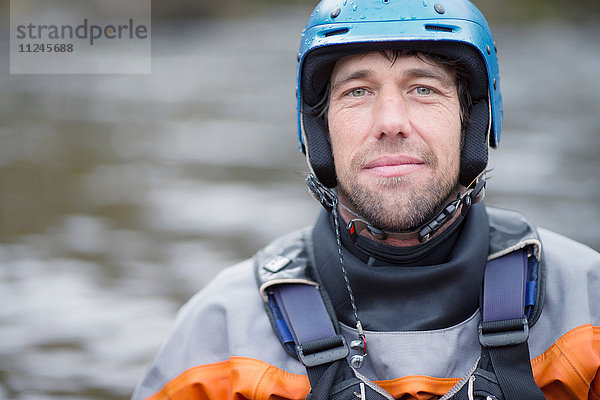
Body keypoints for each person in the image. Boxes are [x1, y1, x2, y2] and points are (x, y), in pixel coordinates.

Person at [132, 0, 600, 399]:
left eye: (423, 88)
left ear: (471, 122)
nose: (390, 121)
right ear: (320, 131)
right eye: (358, 91)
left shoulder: (585, 305)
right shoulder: (221, 335)